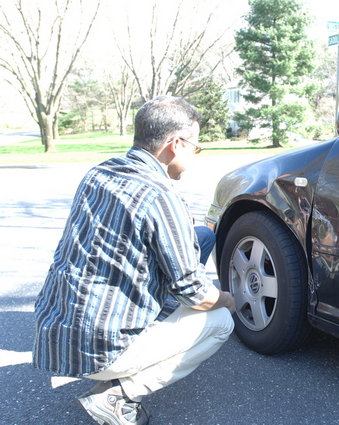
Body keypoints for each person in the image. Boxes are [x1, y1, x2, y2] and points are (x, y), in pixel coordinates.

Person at [32, 96, 235, 425]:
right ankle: (118, 395)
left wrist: (185, 232)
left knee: (202, 235)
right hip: (98, 349)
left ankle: (143, 337)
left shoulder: (98, 174)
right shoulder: (160, 196)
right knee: (221, 320)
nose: (195, 156)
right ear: (175, 144)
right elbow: (196, 294)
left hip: (55, 333)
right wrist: (231, 298)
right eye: (196, 148)